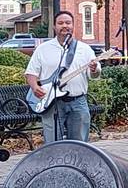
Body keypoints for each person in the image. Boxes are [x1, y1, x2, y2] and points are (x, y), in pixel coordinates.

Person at [25, 11, 100, 143]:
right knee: (52, 143)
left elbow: (93, 75)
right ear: (54, 26)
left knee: (80, 144)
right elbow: (31, 73)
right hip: (52, 103)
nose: (64, 26)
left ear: (73, 25)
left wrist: (94, 70)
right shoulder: (43, 49)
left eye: (68, 23)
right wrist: (35, 87)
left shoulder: (85, 49)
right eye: (60, 23)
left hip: (78, 102)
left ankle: (76, 164)